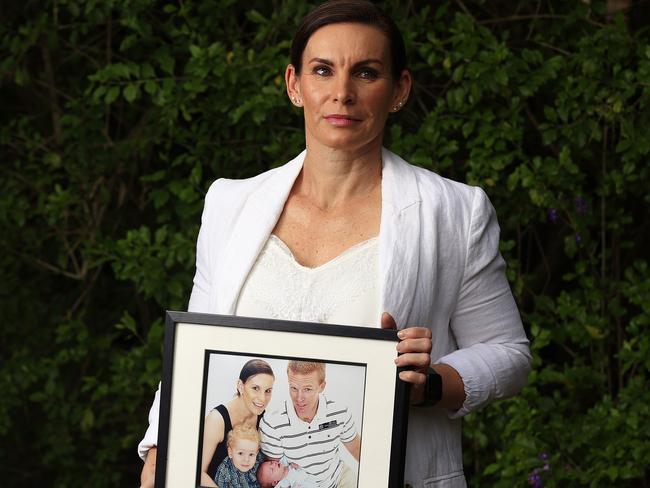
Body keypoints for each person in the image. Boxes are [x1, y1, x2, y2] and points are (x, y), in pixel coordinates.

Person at [139, 1, 531, 487]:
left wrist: (429, 385)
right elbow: (194, 352)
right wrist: (161, 451)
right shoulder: (230, 204)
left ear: (399, 89)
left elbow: (508, 352)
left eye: (366, 73)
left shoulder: (453, 212)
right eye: (323, 70)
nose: (342, 93)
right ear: (294, 85)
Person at [143, 358, 274, 487]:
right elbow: (198, 473)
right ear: (240, 386)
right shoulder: (217, 420)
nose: (262, 398)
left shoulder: (264, 417)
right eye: (255, 388)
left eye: (268, 391)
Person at [259, 361, 359, 488]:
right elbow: (273, 475)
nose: (299, 398)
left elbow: (357, 449)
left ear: (322, 386)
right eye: (294, 388)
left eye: (307, 389)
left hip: (338, 479)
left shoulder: (339, 412)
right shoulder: (272, 423)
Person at [214, 424, 264, 488]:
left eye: (251, 454)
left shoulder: (259, 460)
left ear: (256, 453)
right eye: (240, 453)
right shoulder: (224, 472)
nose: (246, 459)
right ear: (230, 452)